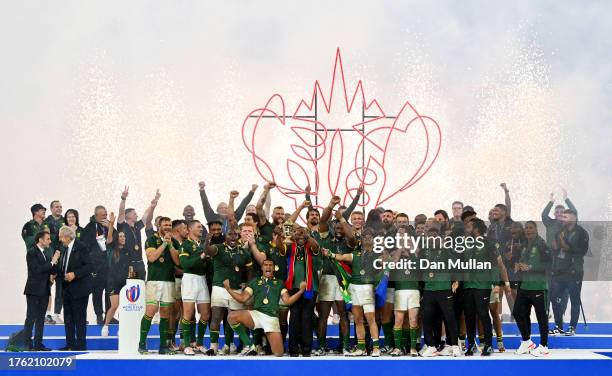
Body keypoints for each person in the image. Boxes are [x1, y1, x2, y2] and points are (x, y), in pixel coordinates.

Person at [223, 259, 307, 356]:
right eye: (265, 265)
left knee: (279, 353)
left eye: (270, 265)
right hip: (256, 315)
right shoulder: (254, 282)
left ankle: (266, 338)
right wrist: (228, 289)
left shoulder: (279, 283)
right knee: (232, 316)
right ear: (262, 268)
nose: (268, 267)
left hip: (272, 318)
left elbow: (287, 301)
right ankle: (249, 344)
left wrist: (301, 291)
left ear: (274, 268)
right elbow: (243, 299)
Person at [325, 225, 381, 357]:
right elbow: (341, 257)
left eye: (370, 237)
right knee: (358, 320)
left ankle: (376, 348)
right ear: (361, 240)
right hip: (354, 289)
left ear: (374, 240)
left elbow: (386, 266)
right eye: (365, 237)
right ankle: (361, 348)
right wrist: (330, 254)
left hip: (367, 289)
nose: (367, 239)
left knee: (371, 319)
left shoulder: (378, 255)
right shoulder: (355, 254)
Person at [463, 218, 511, 356]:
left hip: (482, 285)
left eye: (470, 225)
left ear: (477, 228)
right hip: (468, 285)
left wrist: (496, 283)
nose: (467, 228)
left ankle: (489, 345)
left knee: (483, 314)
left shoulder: (487, 243)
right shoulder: (466, 243)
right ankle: (471, 344)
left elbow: (495, 265)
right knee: (469, 315)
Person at [204, 225, 254, 355]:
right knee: (216, 317)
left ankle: (227, 345)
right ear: (226, 236)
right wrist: (207, 240)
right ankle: (213, 347)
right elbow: (208, 251)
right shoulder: (219, 248)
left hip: (236, 289)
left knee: (234, 318)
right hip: (219, 287)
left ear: (238, 236)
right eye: (230, 234)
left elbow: (249, 270)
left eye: (235, 234)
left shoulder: (244, 252)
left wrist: (247, 284)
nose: (233, 236)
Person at [418, 225, 463, 357]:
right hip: (429, 289)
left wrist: (457, 281)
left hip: (443, 288)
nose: (432, 238)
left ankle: (455, 346)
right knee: (427, 318)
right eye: (430, 236)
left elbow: (457, 265)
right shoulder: (423, 252)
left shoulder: (445, 251)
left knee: (449, 317)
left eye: (434, 236)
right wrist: (421, 290)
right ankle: (431, 346)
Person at [138, 217, 180, 355]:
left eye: (169, 224)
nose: (168, 227)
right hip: (154, 281)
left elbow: (178, 262)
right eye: (165, 224)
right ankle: (142, 344)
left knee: (166, 314)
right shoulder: (151, 239)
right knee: (150, 311)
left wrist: (170, 245)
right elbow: (151, 258)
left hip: (169, 280)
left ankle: (163, 346)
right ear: (158, 226)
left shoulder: (174, 241)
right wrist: (163, 244)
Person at [513, 221, 551, 357]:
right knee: (517, 312)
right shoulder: (524, 245)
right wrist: (518, 266)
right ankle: (527, 341)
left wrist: (531, 268)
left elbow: (549, 265)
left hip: (538, 286)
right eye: (526, 228)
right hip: (525, 286)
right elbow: (521, 262)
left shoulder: (542, 244)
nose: (528, 230)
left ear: (536, 229)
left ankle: (544, 346)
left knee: (541, 316)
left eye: (531, 228)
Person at [549, 209, 589, 336]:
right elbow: (556, 252)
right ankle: (559, 326)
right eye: (563, 217)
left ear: (574, 218)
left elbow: (581, 251)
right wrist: (555, 247)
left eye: (566, 217)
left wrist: (564, 244)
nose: (563, 219)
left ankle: (572, 327)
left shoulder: (582, 233)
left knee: (574, 299)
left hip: (574, 271)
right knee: (554, 298)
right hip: (559, 271)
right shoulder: (559, 232)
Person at [23, 231, 60, 351]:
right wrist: (52, 262)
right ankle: (27, 344)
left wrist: (55, 267)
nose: (50, 241)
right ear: (40, 240)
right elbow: (36, 270)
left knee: (40, 318)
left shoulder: (46, 253)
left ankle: (38, 344)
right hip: (33, 290)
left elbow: (50, 269)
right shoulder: (32, 252)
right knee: (31, 317)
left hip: (44, 289)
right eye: (48, 239)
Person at [57, 226, 92, 351]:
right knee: (68, 318)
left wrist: (75, 274)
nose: (60, 240)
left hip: (80, 288)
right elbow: (63, 267)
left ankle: (81, 345)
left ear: (67, 236)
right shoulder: (64, 249)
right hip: (66, 289)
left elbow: (89, 266)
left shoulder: (81, 247)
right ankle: (69, 344)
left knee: (79, 318)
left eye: (61, 237)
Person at [179, 220, 211, 355]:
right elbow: (185, 264)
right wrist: (202, 256)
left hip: (202, 279)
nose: (201, 229)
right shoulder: (185, 245)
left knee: (205, 314)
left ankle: (199, 344)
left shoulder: (201, 245)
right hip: (190, 279)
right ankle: (187, 345)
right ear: (190, 229)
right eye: (198, 227)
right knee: (188, 313)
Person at [389, 225, 420, 357]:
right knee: (399, 320)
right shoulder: (393, 252)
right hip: (400, 290)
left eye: (404, 235)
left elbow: (418, 266)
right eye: (399, 235)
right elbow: (393, 265)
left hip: (413, 290)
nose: (402, 237)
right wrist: (400, 249)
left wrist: (409, 251)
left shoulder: (416, 251)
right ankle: (397, 348)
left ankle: (412, 348)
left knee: (413, 320)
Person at [117, 186, 160, 281]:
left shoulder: (137, 226)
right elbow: (120, 212)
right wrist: (123, 199)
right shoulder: (122, 226)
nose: (137, 215)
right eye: (134, 213)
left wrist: (153, 204)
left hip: (140, 264)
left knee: (141, 287)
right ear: (127, 215)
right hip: (129, 264)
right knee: (132, 290)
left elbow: (145, 215)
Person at [82, 205, 112, 324]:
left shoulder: (109, 226)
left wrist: (110, 227)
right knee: (97, 291)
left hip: (109, 265)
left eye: (106, 214)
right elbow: (85, 248)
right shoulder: (89, 228)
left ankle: (109, 315)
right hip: (96, 266)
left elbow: (114, 240)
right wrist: (90, 263)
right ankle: (99, 315)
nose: (105, 216)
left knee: (110, 291)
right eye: (103, 215)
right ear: (96, 216)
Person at [101, 212, 129, 336]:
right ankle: (105, 326)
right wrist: (111, 224)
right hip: (112, 281)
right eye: (121, 236)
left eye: (124, 237)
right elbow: (110, 237)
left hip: (124, 282)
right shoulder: (111, 248)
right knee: (114, 305)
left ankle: (121, 328)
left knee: (123, 307)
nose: (123, 238)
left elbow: (131, 267)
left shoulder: (128, 251)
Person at [45, 200, 65, 324]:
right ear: (51, 208)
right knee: (46, 287)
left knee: (61, 289)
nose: (59, 209)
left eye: (60, 207)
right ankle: (47, 314)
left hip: (62, 259)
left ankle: (57, 314)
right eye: (57, 207)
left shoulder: (65, 222)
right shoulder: (45, 223)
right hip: (50, 259)